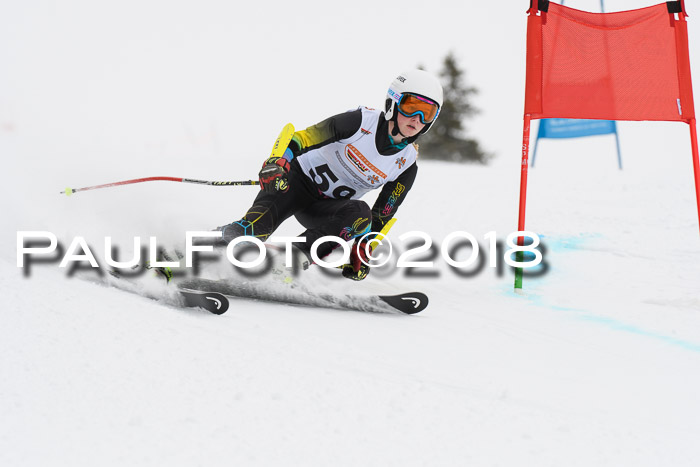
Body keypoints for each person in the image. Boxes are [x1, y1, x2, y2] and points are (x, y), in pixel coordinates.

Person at [216, 69, 443, 281]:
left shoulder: (406, 165)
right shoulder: (361, 122)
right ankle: (202, 247)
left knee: (362, 214)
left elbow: (382, 216)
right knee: (253, 230)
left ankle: (291, 260)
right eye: (411, 106)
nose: (417, 118)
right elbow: (301, 138)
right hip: (294, 185)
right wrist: (278, 162)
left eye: (428, 112)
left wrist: (362, 250)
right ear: (393, 102)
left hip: (325, 209)